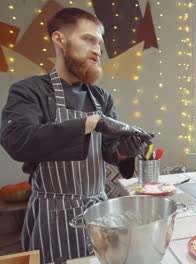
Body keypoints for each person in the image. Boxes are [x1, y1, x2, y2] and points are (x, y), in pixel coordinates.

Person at [0, 8, 153, 263]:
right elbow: (18, 141)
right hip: (53, 215)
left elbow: (108, 152)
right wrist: (91, 122)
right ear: (59, 39)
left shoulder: (101, 97)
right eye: (88, 39)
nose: (97, 50)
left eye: (99, 43)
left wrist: (126, 151)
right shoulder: (30, 91)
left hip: (98, 211)